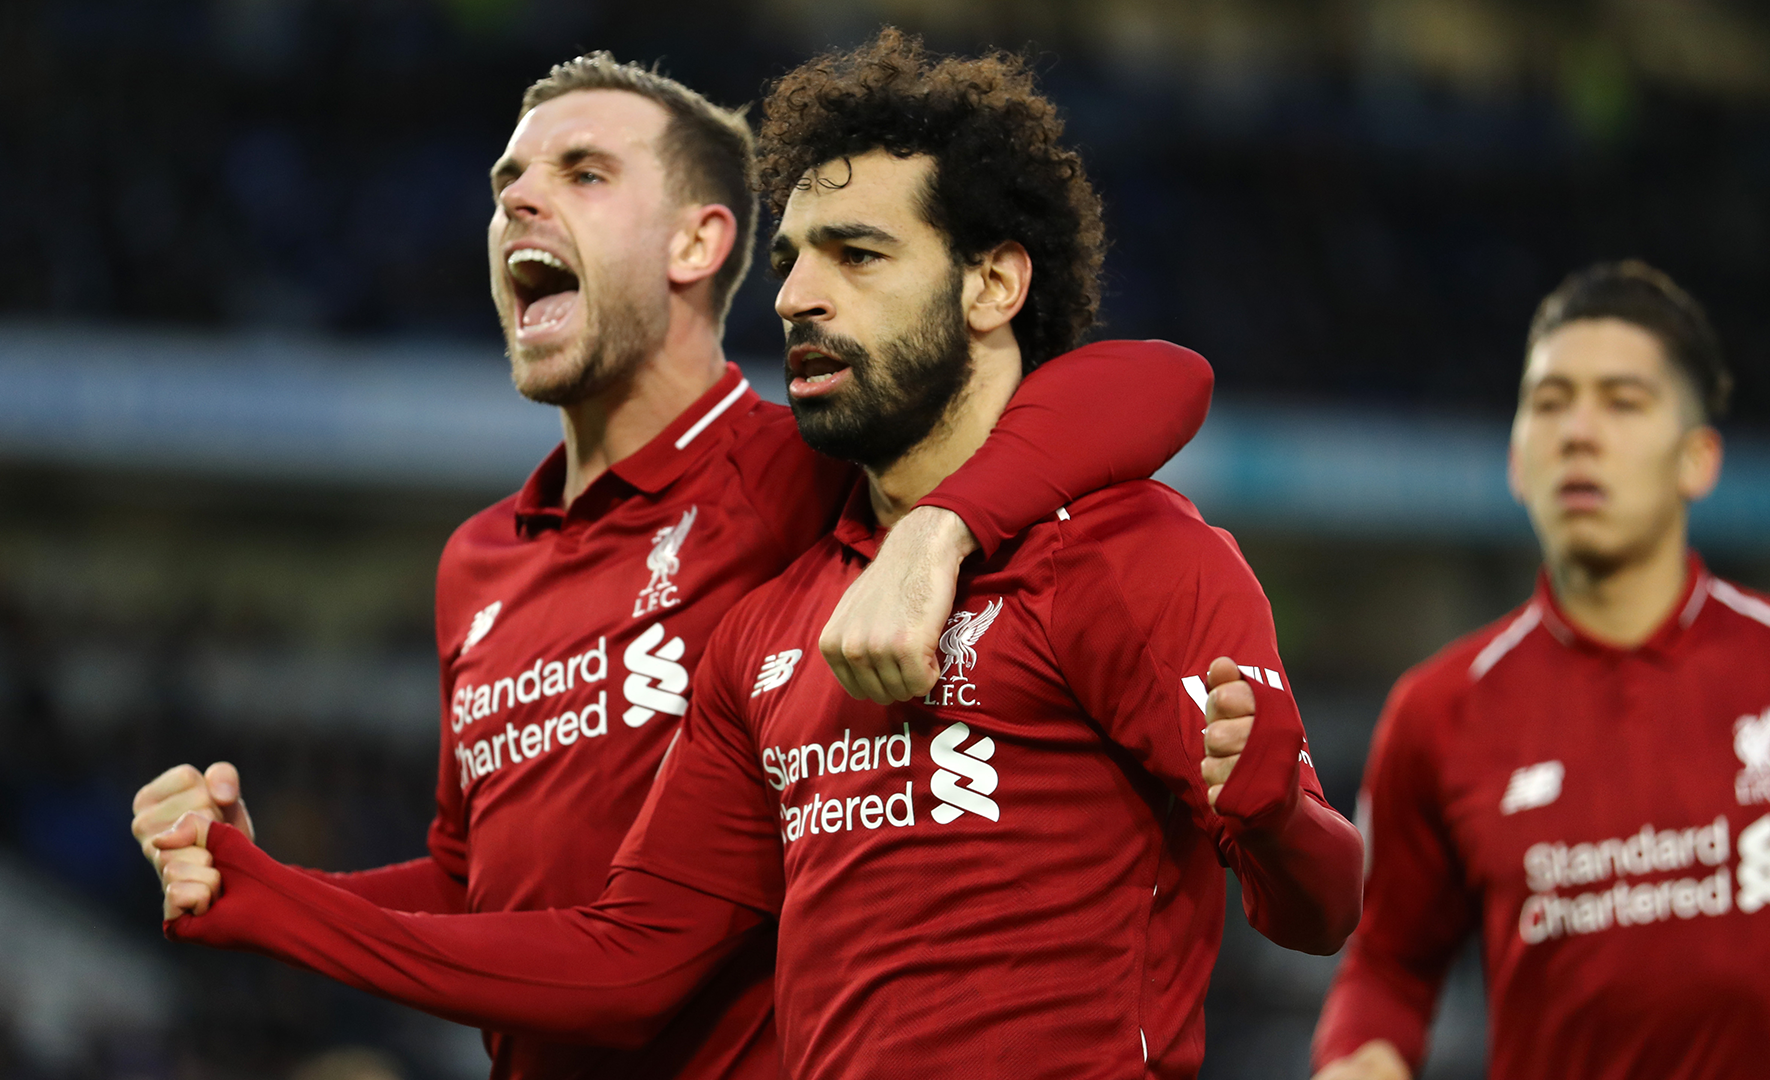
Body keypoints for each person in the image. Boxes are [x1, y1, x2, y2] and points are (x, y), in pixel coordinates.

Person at [151, 32, 1361, 1080]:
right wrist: (267, 889)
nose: (796, 298)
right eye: (792, 263)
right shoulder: (723, 613)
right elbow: (606, 943)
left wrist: (1271, 818)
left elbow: (1159, 381)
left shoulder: (1053, 534)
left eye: (857, 255)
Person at [1312, 261, 1768, 1080]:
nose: (1578, 432)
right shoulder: (1438, 713)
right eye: (1551, 403)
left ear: (1698, 459)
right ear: (1518, 461)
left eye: (1623, 402)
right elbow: (1387, 964)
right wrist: (1360, 1056)